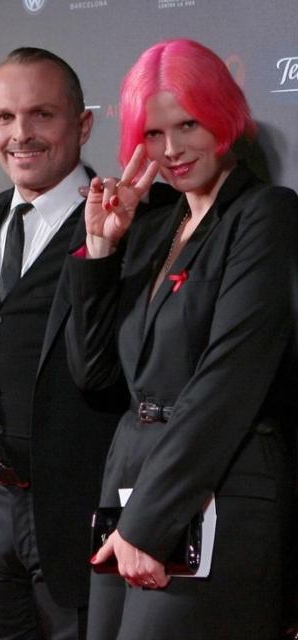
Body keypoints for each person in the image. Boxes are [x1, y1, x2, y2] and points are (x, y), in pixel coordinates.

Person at [66, 38, 298, 639]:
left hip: (217, 491)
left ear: (223, 114)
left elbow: (229, 383)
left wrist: (148, 522)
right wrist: (101, 251)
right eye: (151, 133)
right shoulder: (152, 225)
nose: (170, 150)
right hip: (132, 487)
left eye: (188, 124)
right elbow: (94, 374)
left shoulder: (266, 215)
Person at [0, 47, 136, 640]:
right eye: (3, 117)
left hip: (77, 514)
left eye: (41, 115)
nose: (20, 134)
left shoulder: (131, 223)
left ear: (83, 124)